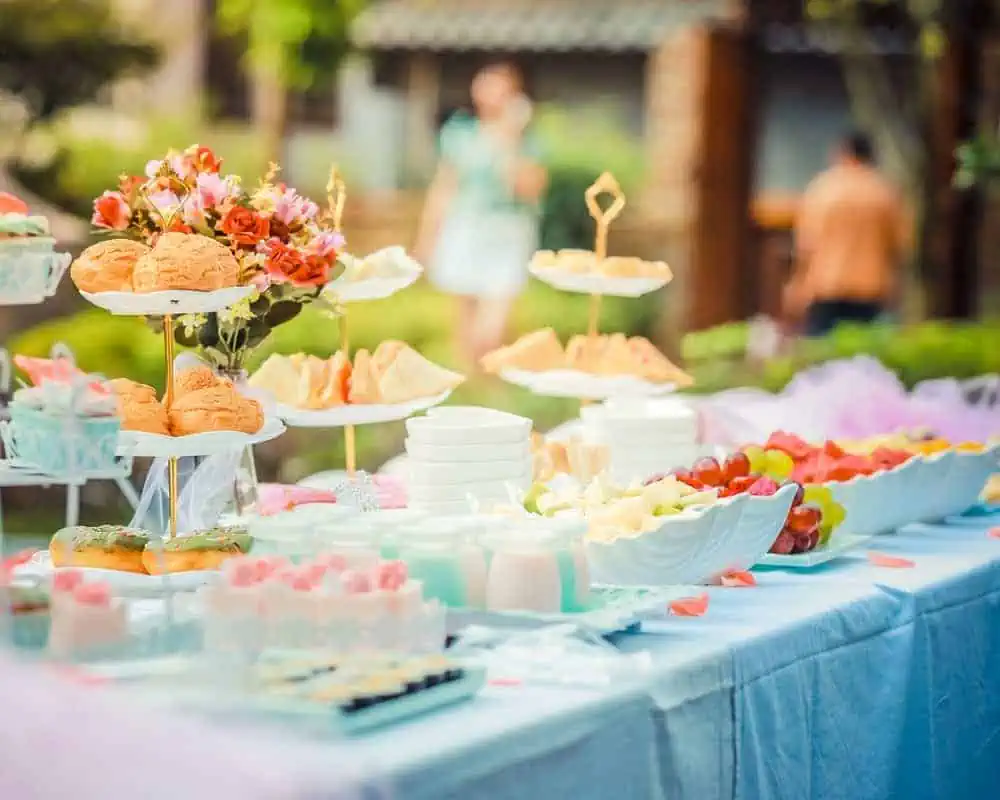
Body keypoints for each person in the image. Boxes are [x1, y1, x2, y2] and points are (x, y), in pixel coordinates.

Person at [415, 61, 548, 368]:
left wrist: (510, 139)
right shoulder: (460, 133)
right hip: (465, 226)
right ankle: (475, 387)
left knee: (491, 326)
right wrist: (426, 239)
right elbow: (443, 188)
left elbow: (529, 189)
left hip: (508, 230)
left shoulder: (527, 141)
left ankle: (496, 377)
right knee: (464, 319)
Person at [784, 131, 909, 337]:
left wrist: (797, 284)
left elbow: (805, 244)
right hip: (872, 286)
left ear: (842, 153)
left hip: (826, 283)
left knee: (821, 354)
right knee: (864, 355)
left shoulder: (823, 189)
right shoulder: (884, 192)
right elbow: (899, 245)